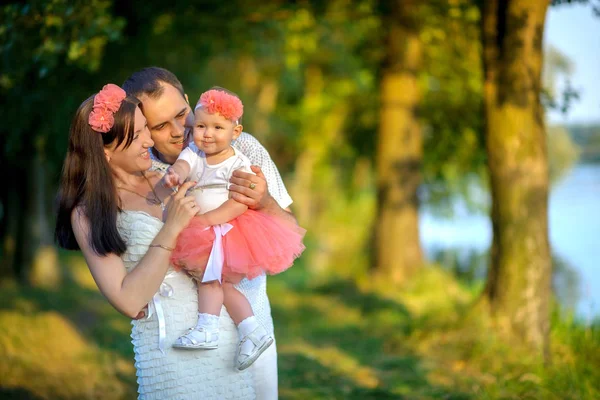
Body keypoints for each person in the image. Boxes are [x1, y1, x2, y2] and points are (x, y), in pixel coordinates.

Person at [56, 84, 261, 399]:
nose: (150, 141)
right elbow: (128, 300)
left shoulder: (169, 175)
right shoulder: (89, 212)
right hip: (171, 349)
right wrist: (172, 228)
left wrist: (252, 194)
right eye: (138, 136)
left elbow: (227, 224)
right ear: (105, 150)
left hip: (220, 333)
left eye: (146, 131)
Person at [121, 67, 293, 398]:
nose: (177, 132)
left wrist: (265, 200)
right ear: (141, 128)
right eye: (159, 126)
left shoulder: (244, 148)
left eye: (181, 115)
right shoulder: (142, 170)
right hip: (180, 347)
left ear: (189, 101)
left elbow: (287, 228)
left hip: (250, 324)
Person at [163, 88, 305, 371]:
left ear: (235, 131)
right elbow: (182, 164)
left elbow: (242, 201)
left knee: (211, 280)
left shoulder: (240, 160)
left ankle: (209, 328)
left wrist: (210, 220)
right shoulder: (194, 152)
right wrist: (175, 173)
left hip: (225, 229)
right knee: (218, 282)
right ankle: (251, 330)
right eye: (201, 126)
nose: (207, 134)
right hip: (206, 229)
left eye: (218, 127)